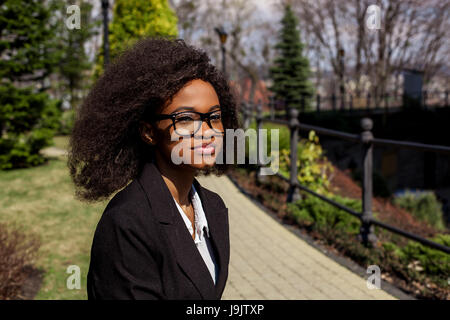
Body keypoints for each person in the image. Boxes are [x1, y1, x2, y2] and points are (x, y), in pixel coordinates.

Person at [68, 36, 239, 299]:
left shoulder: (214, 209)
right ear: (148, 132)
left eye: (214, 117)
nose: (206, 132)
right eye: (185, 119)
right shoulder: (127, 224)